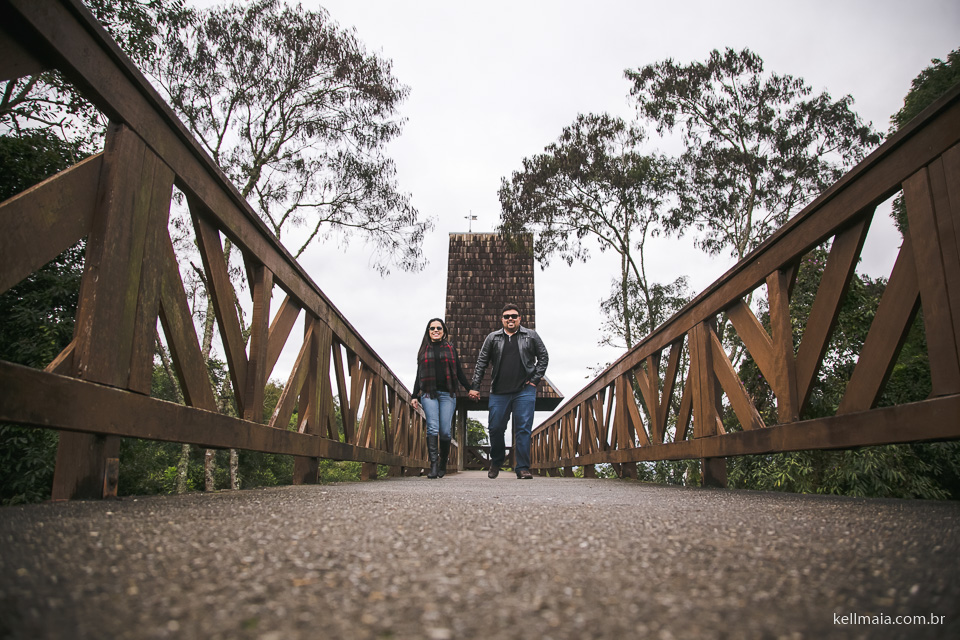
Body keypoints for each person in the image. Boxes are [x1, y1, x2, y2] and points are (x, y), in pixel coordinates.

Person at [468, 303, 548, 479]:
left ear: (520, 318)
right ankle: (496, 461)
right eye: (506, 316)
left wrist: (534, 380)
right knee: (495, 428)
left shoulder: (531, 336)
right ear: (502, 319)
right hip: (499, 391)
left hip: (524, 390)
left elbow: (544, 357)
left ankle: (522, 468)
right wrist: (475, 386)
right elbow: (482, 362)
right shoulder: (492, 338)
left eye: (513, 316)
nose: (510, 319)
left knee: (523, 429)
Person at [411, 318, 473, 479]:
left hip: (447, 394)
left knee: (445, 432)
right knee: (432, 427)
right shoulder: (423, 350)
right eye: (432, 328)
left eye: (439, 328)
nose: (436, 330)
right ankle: (433, 466)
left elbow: (458, 371)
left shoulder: (450, 348)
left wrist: (469, 388)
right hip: (428, 393)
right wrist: (414, 395)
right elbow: (419, 375)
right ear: (428, 331)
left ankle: (443, 462)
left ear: (444, 331)